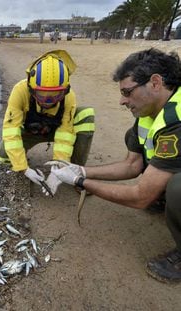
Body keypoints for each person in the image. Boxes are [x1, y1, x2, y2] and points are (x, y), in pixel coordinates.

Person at [47, 48, 181, 283]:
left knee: (178, 189)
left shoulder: (176, 121)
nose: (122, 101)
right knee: (135, 140)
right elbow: (132, 164)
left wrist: (80, 182)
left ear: (156, 82)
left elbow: (140, 197)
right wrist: (82, 170)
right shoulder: (150, 113)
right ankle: (164, 197)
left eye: (127, 92)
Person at [0, 50, 95, 195]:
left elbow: (65, 135)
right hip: (31, 132)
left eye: (55, 95)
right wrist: (24, 168)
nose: (48, 101)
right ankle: (21, 160)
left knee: (86, 115)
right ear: (31, 87)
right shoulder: (20, 91)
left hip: (55, 131)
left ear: (65, 90)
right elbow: (11, 130)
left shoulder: (69, 97)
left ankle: (74, 171)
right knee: (3, 155)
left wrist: (58, 169)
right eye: (42, 94)